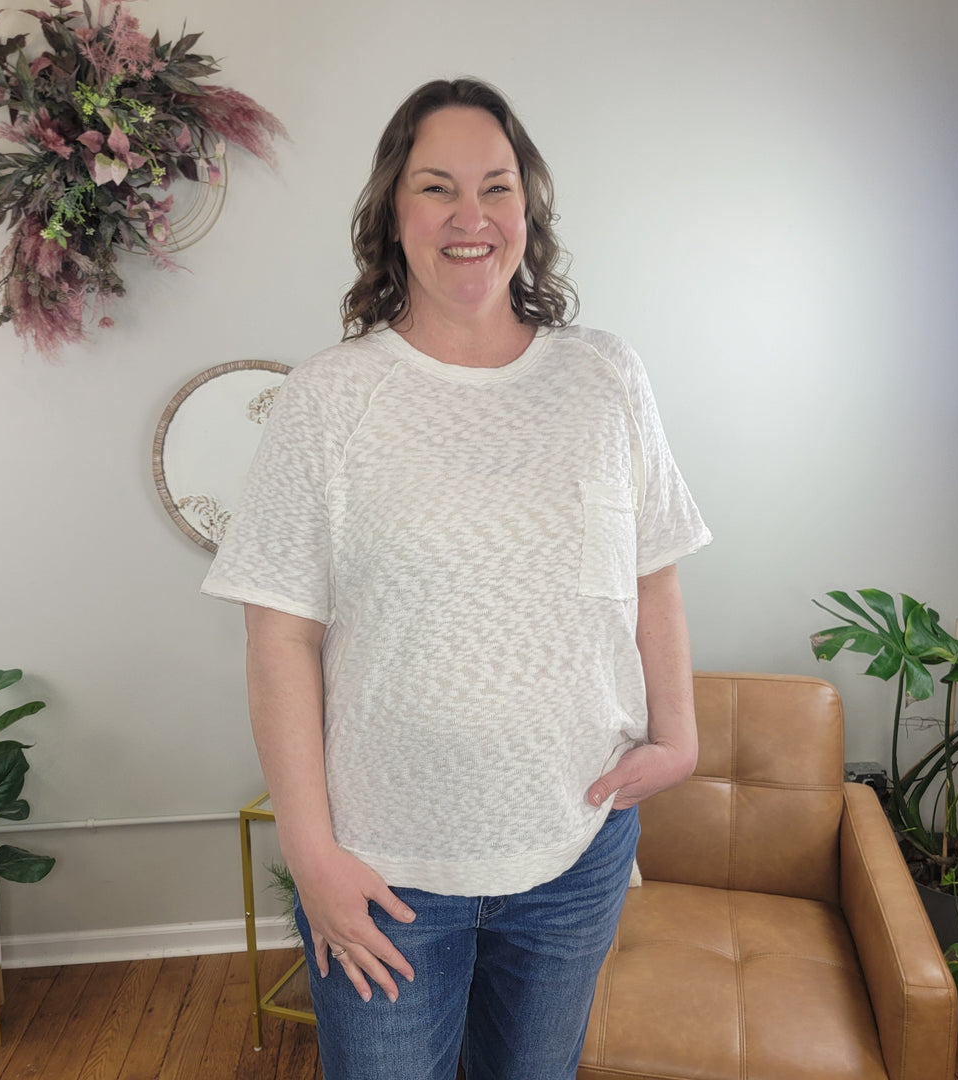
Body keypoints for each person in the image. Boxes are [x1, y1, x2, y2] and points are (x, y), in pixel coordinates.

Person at [202, 77, 711, 1080]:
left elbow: (654, 577)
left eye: (497, 187)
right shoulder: (329, 398)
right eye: (437, 187)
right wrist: (312, 856)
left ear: (530, 210)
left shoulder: (605, 378)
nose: (471, 217)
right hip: (387, 875)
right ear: (394, 215)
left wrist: (681, 738)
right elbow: (280, 640)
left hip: (573, 855)